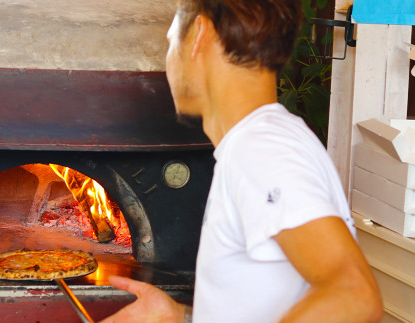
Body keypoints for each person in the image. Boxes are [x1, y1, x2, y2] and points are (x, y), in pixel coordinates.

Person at [101, 0, 383, 322]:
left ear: (199, 35)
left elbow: (355, 295)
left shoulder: (261, 147)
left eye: (170, 42)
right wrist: (181, 317)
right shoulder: (260, 141)